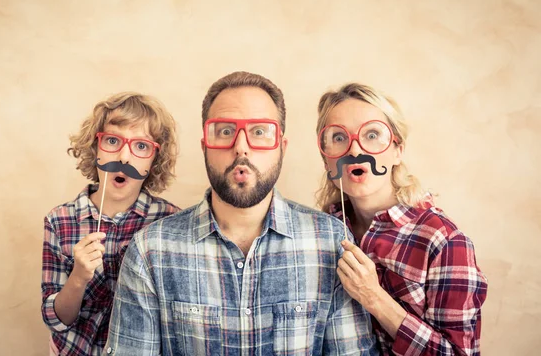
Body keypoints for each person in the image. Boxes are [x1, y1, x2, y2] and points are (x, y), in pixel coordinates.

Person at [103, 72, 378, 355]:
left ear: (282, 148)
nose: (241, 147)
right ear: (205, 147)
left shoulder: (332, 243)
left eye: (259, 132)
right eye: (224, 131)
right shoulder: (151, 251)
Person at [315, 83, 488, 355]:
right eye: (338, 137)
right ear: (326, 159)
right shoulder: (320, 231)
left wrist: (375, 298)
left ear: (397, 150)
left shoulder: (442, 240)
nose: (355, 149)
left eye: (372, 134)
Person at [41, 92, 180, 355]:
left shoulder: (170, 223)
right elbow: (57, 320)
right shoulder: (59, 221)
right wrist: (79, 276)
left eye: (141, 146)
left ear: (154, 160)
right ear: (95, 148)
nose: (125, 158)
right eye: (113, 140)